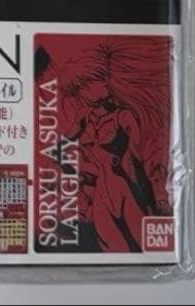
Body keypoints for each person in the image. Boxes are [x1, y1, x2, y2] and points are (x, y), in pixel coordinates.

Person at [62, 39, 170, 252]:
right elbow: (60, 147)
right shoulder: (85, 118)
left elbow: (140, 159)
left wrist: (155, 195)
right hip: (102, 192)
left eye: (87, 84)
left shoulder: (123, 117)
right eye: (79, 88)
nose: (84, 92)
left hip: (126, 186)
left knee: (141, 243)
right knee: (109, 245)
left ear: (103, 80)